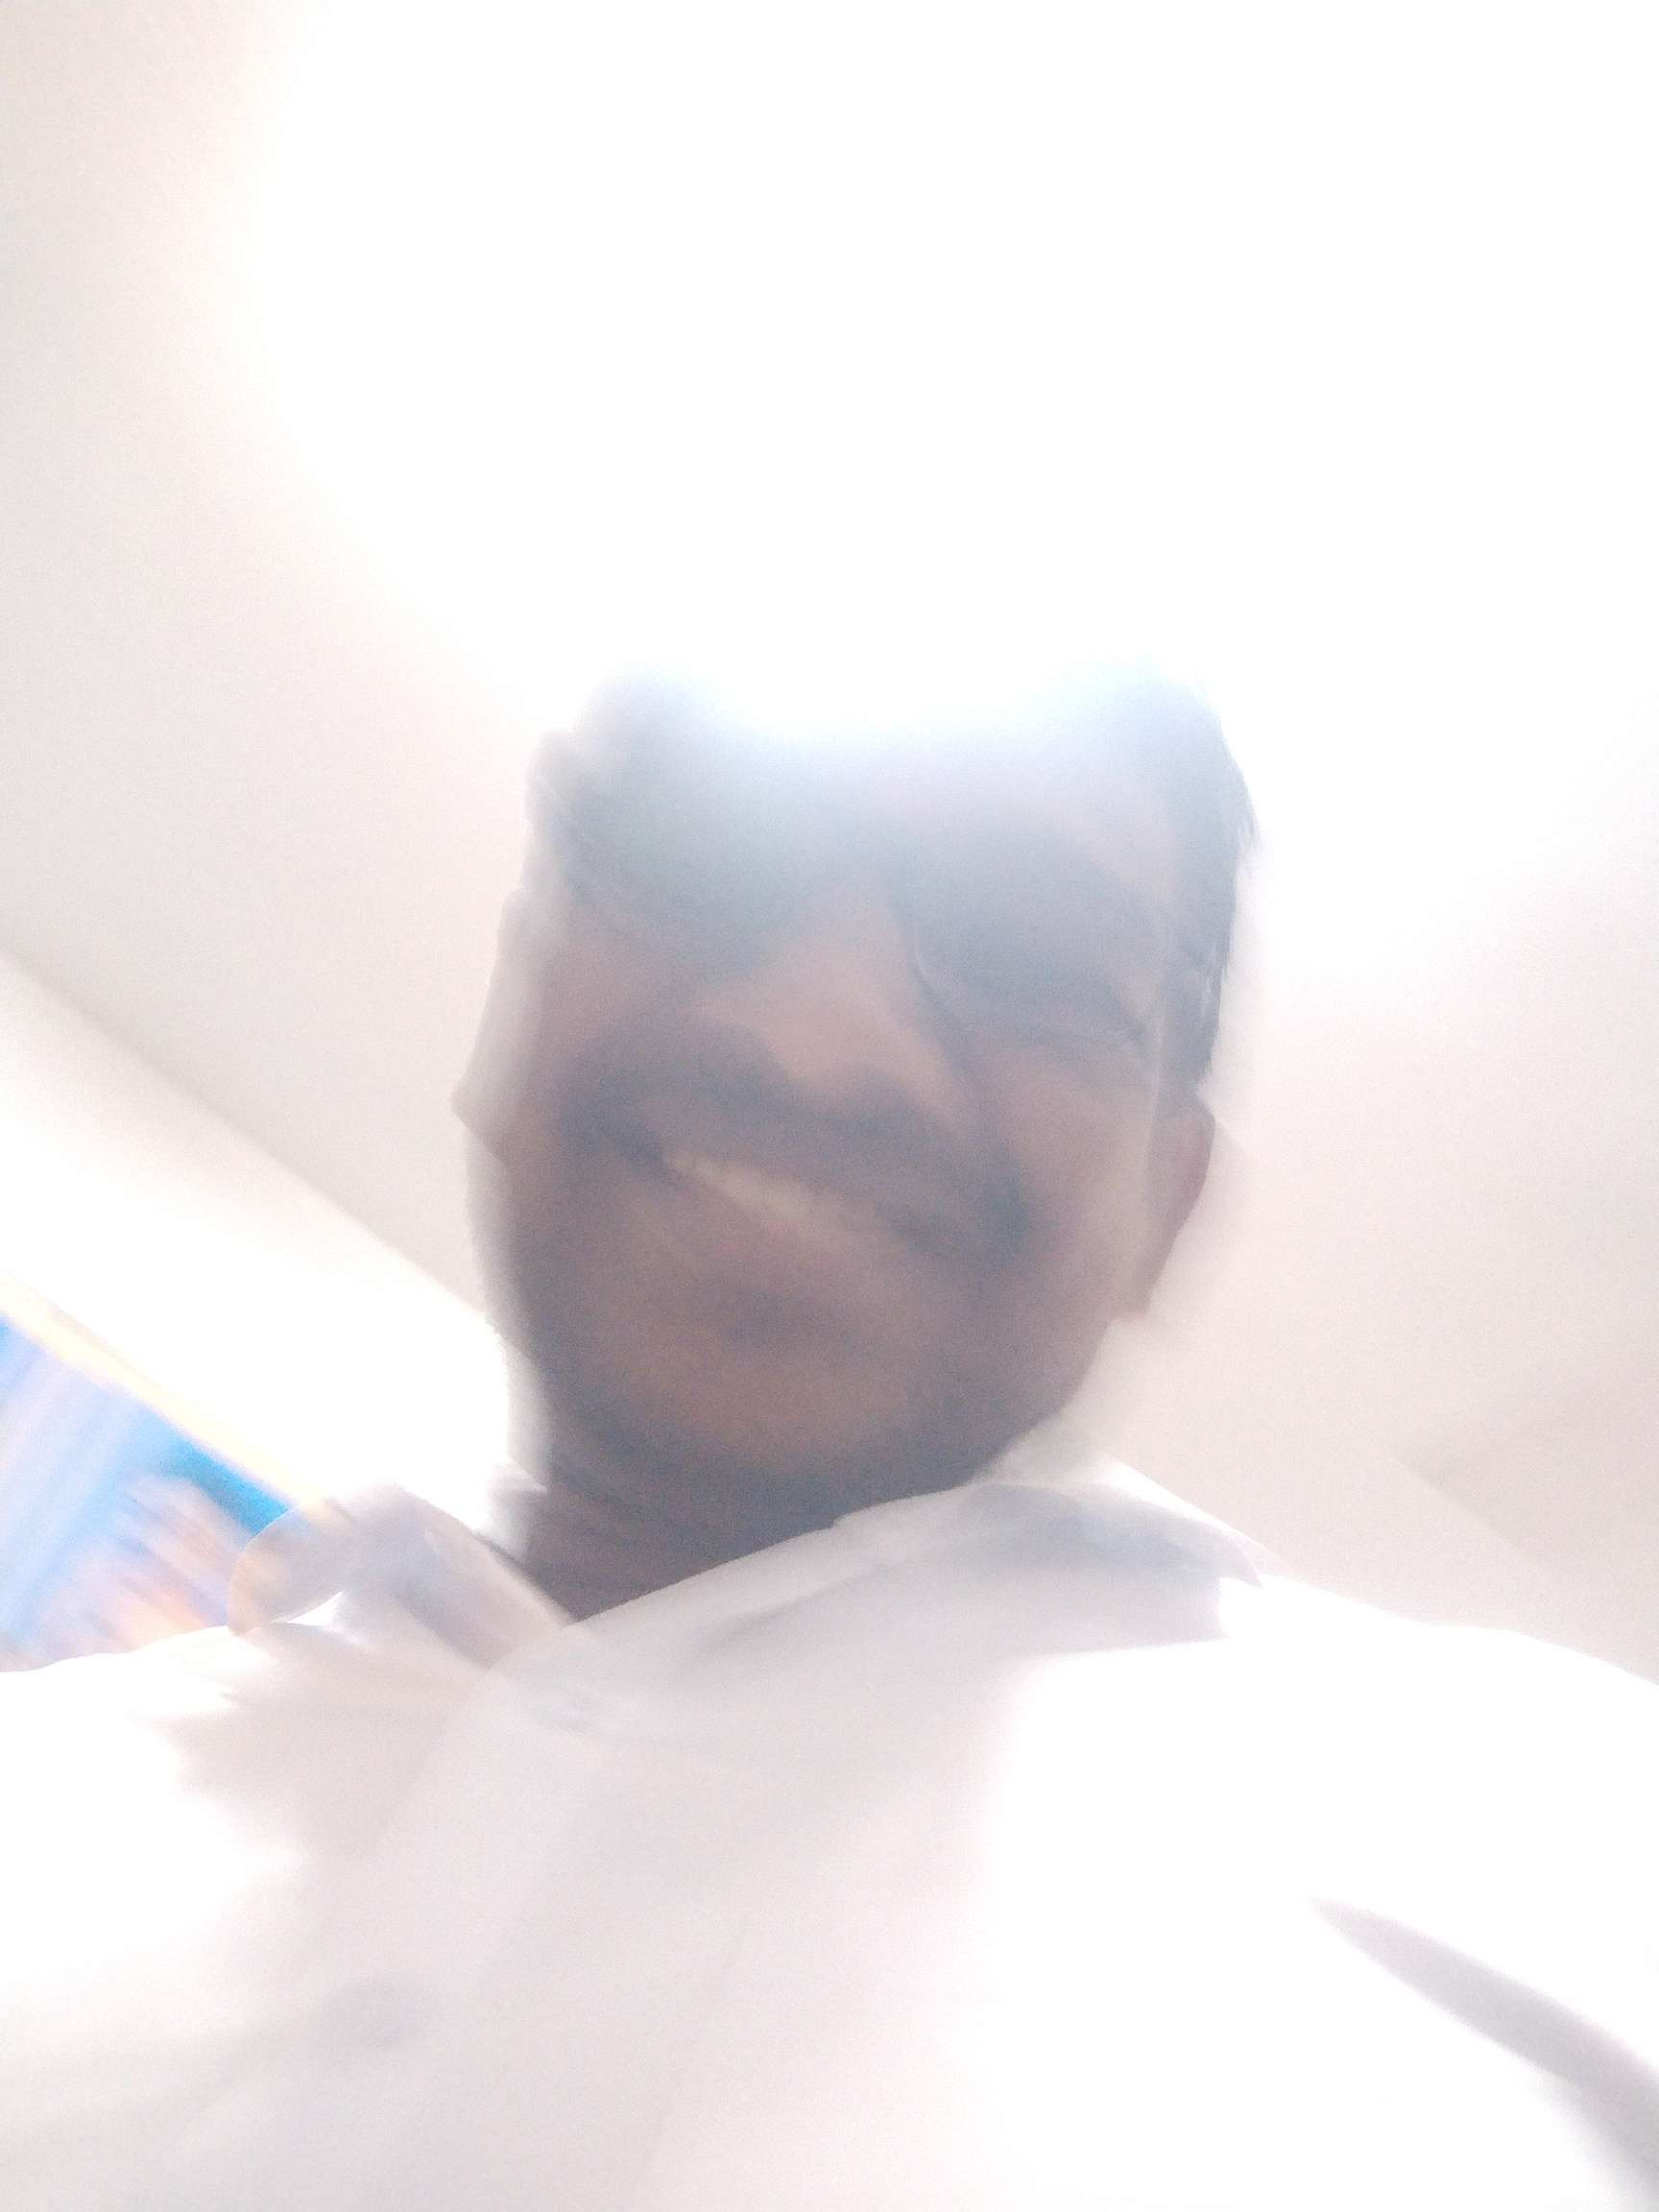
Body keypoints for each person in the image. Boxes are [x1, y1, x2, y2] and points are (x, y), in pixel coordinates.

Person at [1, 667, 1655, 2209]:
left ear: (1167, 1205)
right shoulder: (50, 1789)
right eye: (702, 860)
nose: (818, 1038)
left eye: (1034, 954)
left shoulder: (1559, 1842)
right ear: (522, 1008)